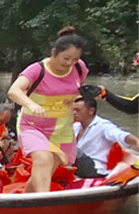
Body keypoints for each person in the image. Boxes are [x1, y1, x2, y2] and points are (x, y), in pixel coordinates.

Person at [7, 26, 88, 192]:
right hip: (33, 125)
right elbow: (13, 91)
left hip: (62, 129)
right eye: (66, 58)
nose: (69, 63)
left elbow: (78, 88)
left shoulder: (79, 68)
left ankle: (25, 201)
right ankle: (43, 204)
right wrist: (31, 104)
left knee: (44, 172)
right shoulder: (38, 69)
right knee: (44, 159)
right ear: (54, 52)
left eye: (75, 59)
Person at [72, 94, 139, 179]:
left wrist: (136, 142)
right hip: (79, 165)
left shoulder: (103, 126)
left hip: (95, 168)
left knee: (69, 147)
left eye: (78, 110)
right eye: (73, 110)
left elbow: (122, 135)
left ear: (91, 111)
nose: (74, 113)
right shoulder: (75, 127)